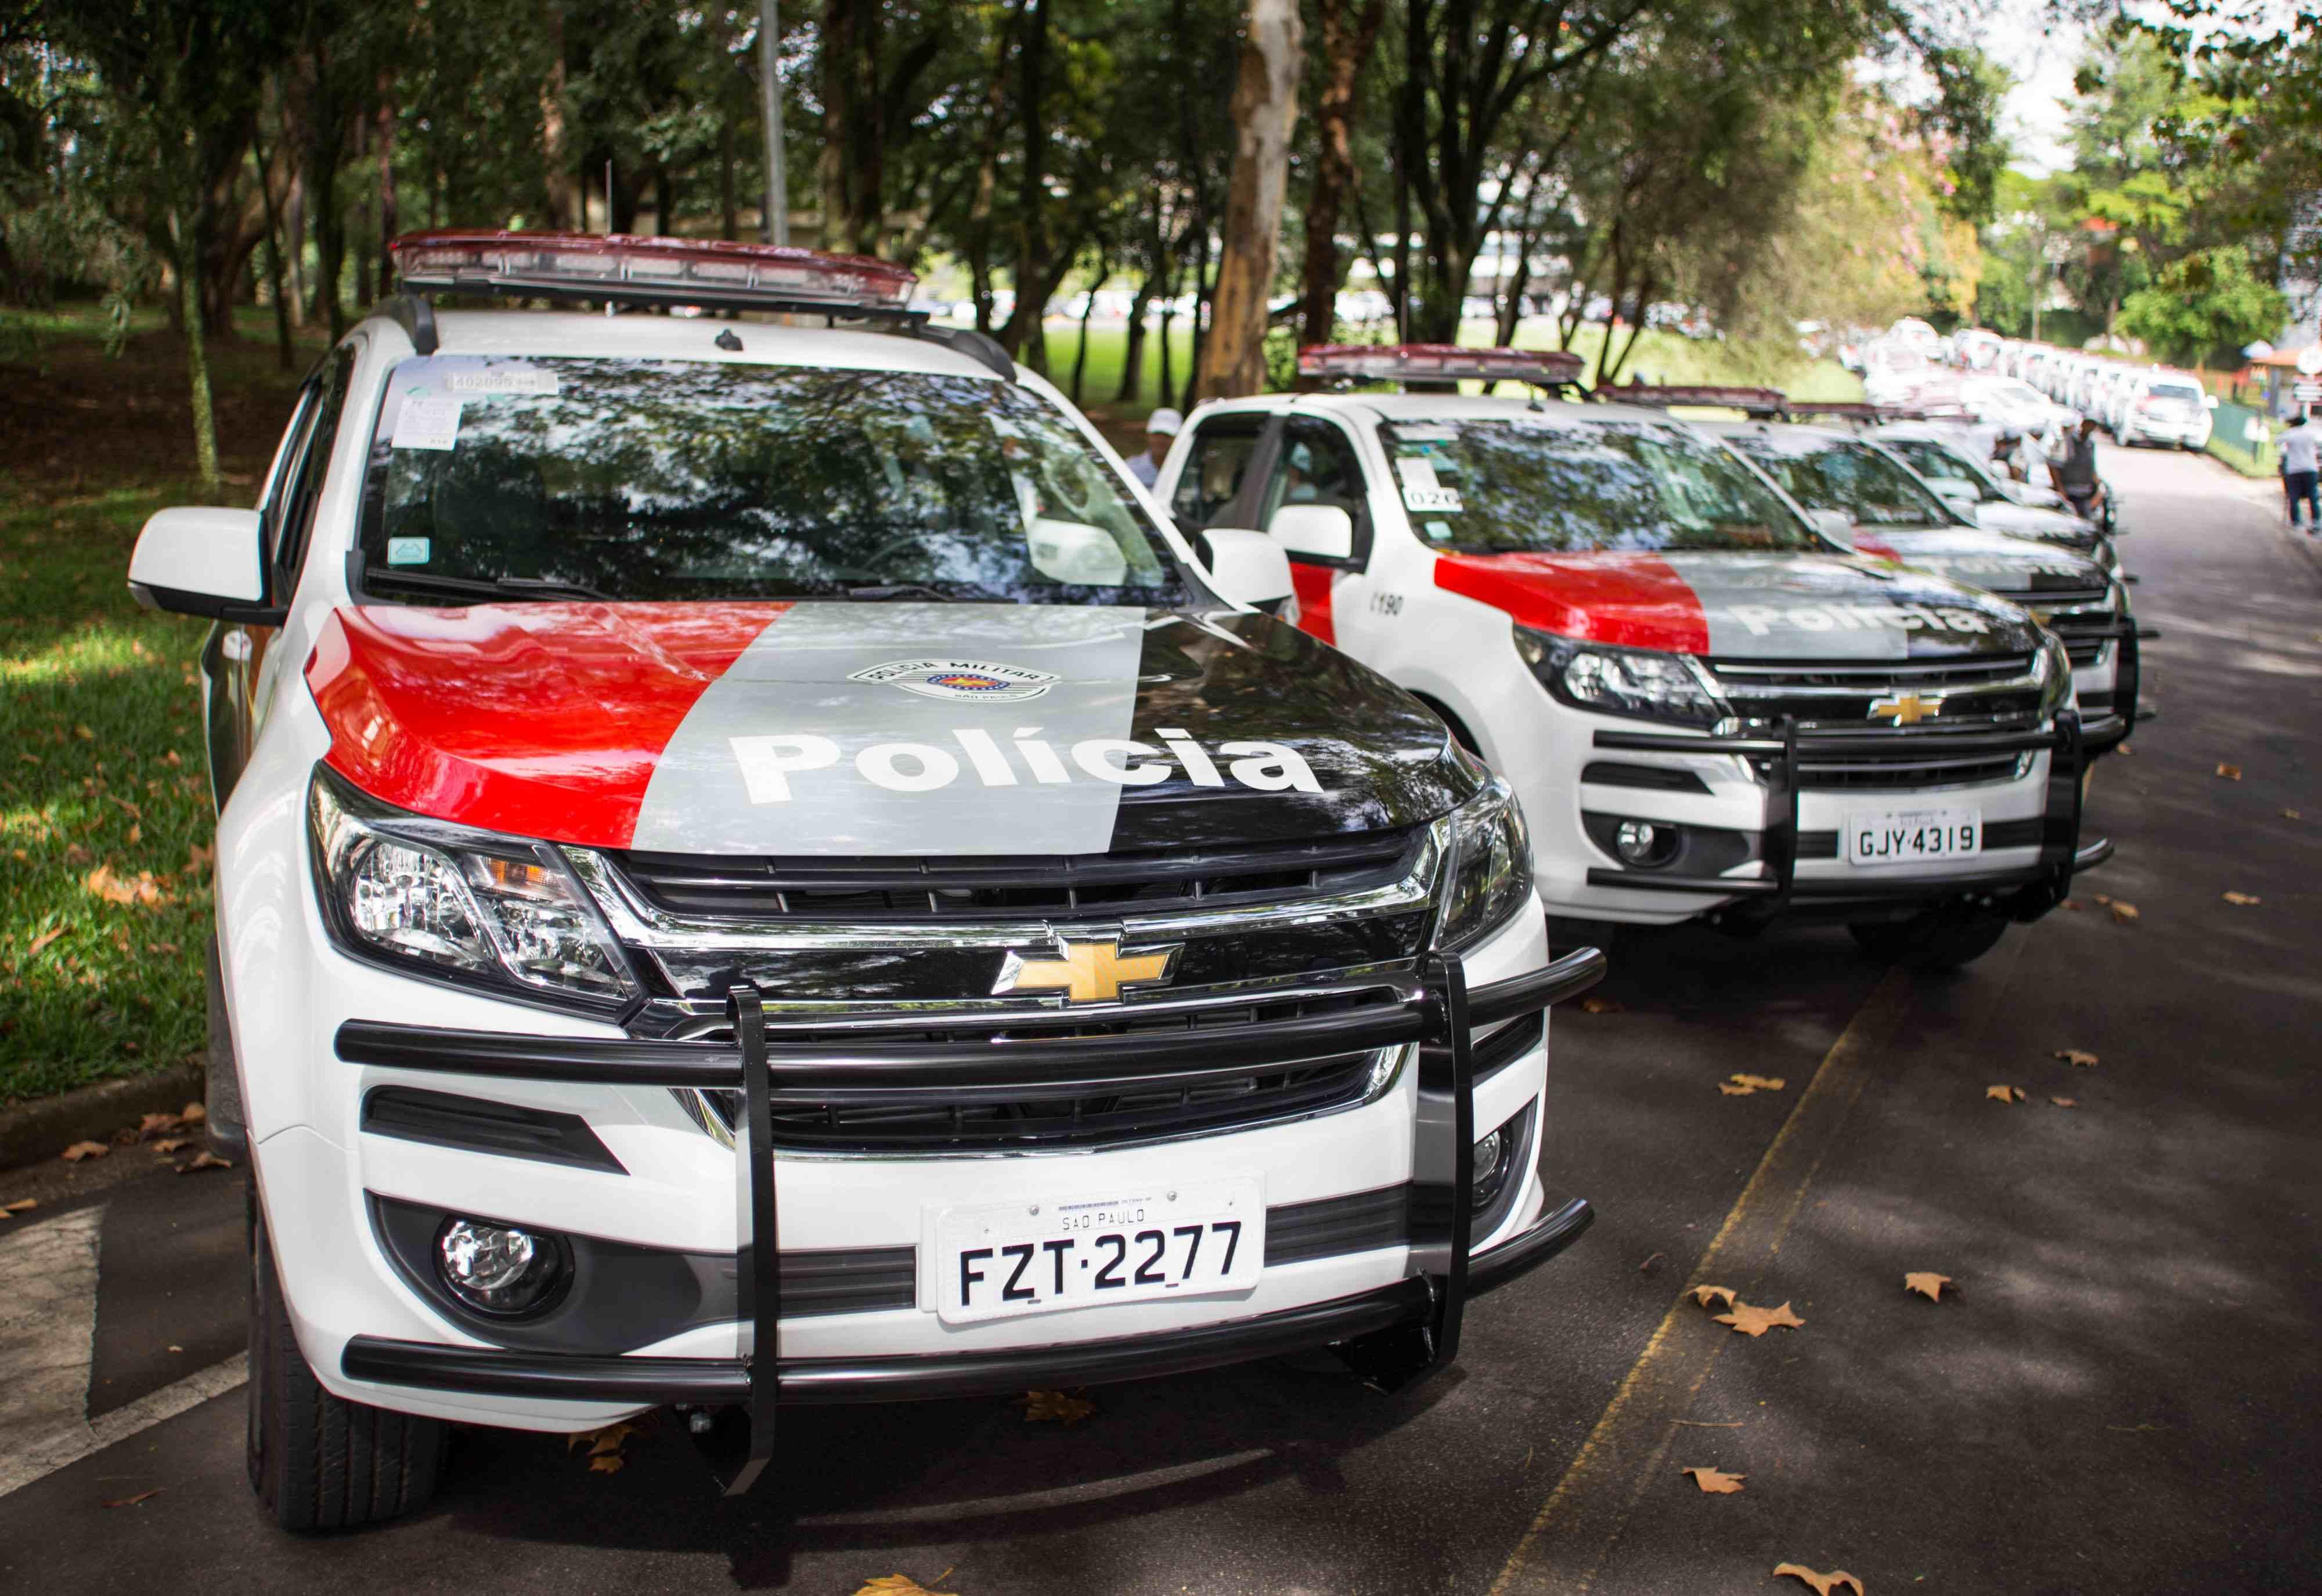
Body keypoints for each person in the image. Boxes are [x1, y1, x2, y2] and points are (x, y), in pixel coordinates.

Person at [2048, 416, 2106, 521]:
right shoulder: (2067, 441)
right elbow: (2053, 466)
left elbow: (2091, 469)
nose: (2089, 428)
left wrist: (2100, 488)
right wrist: (2060, 489)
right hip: (2069, 493)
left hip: (2085, 493)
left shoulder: (2090, 444)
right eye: (2087, 424)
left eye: (2092, 426)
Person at [2280, 414, 2320, 532]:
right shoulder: (2311, 433)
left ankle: (2296, 521)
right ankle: (2316, 522)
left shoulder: (2290, 433)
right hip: (2311, 468)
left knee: (2294, 495)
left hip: (2294, 469)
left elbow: (2278, 442)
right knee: (2313, 496)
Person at [1124, 407, 1182, 488]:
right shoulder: (1130, 468)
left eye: (1167, 436)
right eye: (1157, 434)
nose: (1161, 440)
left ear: (1178, 439)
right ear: (1148, 435)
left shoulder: (1186, 470)